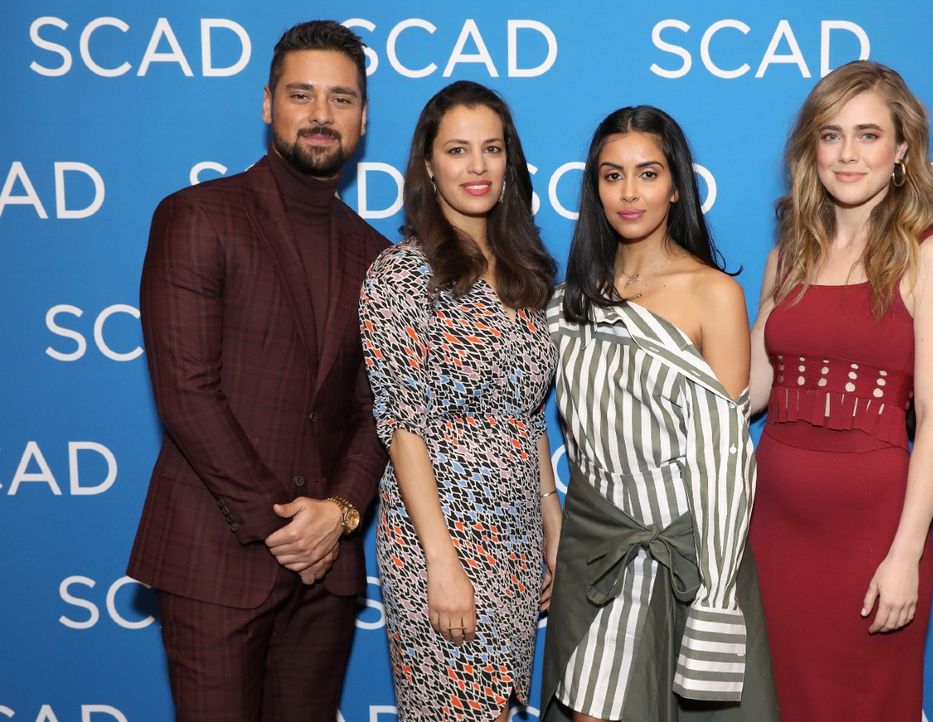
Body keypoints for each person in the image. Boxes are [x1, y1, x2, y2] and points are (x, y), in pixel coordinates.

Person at [127, 20, 388, 722]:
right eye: (302, 94)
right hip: (215, 557)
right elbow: (186, 393)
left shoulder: (376, 255)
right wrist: (283, 528)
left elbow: (379, 409)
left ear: (362, 118)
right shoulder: (197, 216)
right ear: (268, 103)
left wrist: (338, 514)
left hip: (325, 572)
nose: (321, 114)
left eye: (340, 98)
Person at [746, 61, 933, 721]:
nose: (848, 154)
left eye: (868, 135)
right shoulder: (787, 258)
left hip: (872, 539)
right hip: (774, 532)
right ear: (811, 149)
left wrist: (905, 554)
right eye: (832, 134)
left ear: (901, 150)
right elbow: (751, 389)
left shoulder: (930, 258)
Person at [541, 106, 778, 722]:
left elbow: (725, 456)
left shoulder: (713, 293)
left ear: (676, 185)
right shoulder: (566, 304)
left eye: (647, 174)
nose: (628, 192)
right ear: (593, 187)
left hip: (688, 549)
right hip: (593, 547)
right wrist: (552, 516)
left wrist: (718, 588)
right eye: (611, 175)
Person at [358, 80, 560, 722]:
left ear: (510, 161)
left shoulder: (531, 274)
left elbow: (526, 418)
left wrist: (553, 528)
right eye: (457, 150)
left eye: (492, 149)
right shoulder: (399, 275)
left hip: (518, 539)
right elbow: (403, 425)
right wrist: (439, 562)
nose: (477, 166)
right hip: (438, 537)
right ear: (428, 165)